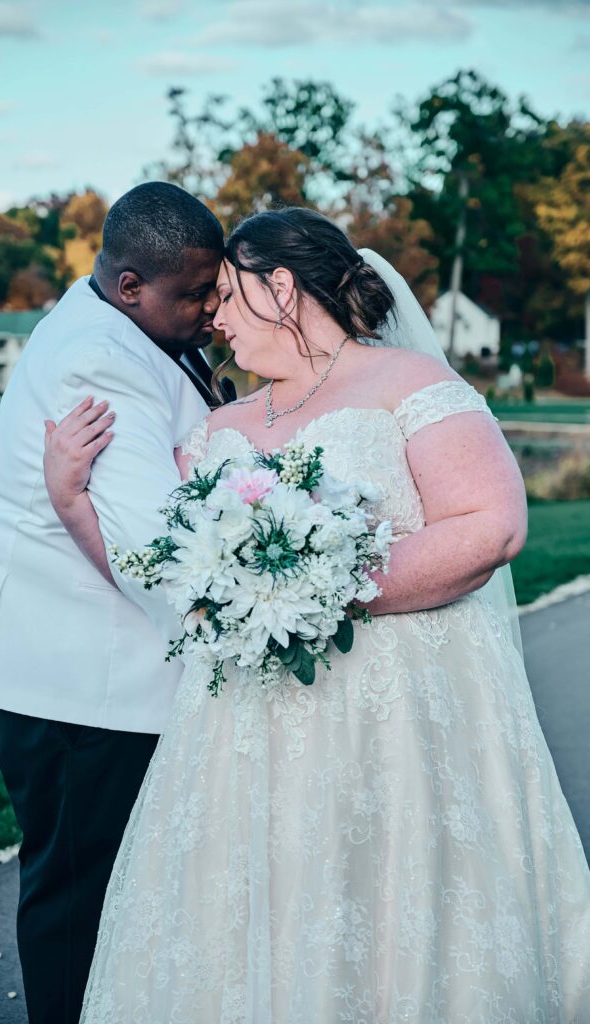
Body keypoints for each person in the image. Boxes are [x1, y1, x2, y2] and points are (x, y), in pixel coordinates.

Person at [44, 207, 590, 1022]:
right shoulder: (216, 429)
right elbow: (169, 576)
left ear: (281, 286)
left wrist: (322, 585)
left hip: (401, 716)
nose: (214, 317)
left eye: (228, 295)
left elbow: (491, 525)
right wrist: (69, 499)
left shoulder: (410, 384)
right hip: (246, 734)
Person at [0, 182, 235, 1024]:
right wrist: (234, 623)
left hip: (65, 655)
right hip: (68, 672)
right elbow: (153, 549)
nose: (210, 307)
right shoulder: (99, 358)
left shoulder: (121, 319)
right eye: (195, 293)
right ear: (132, 283)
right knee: (80, 890)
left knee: (109, 881)